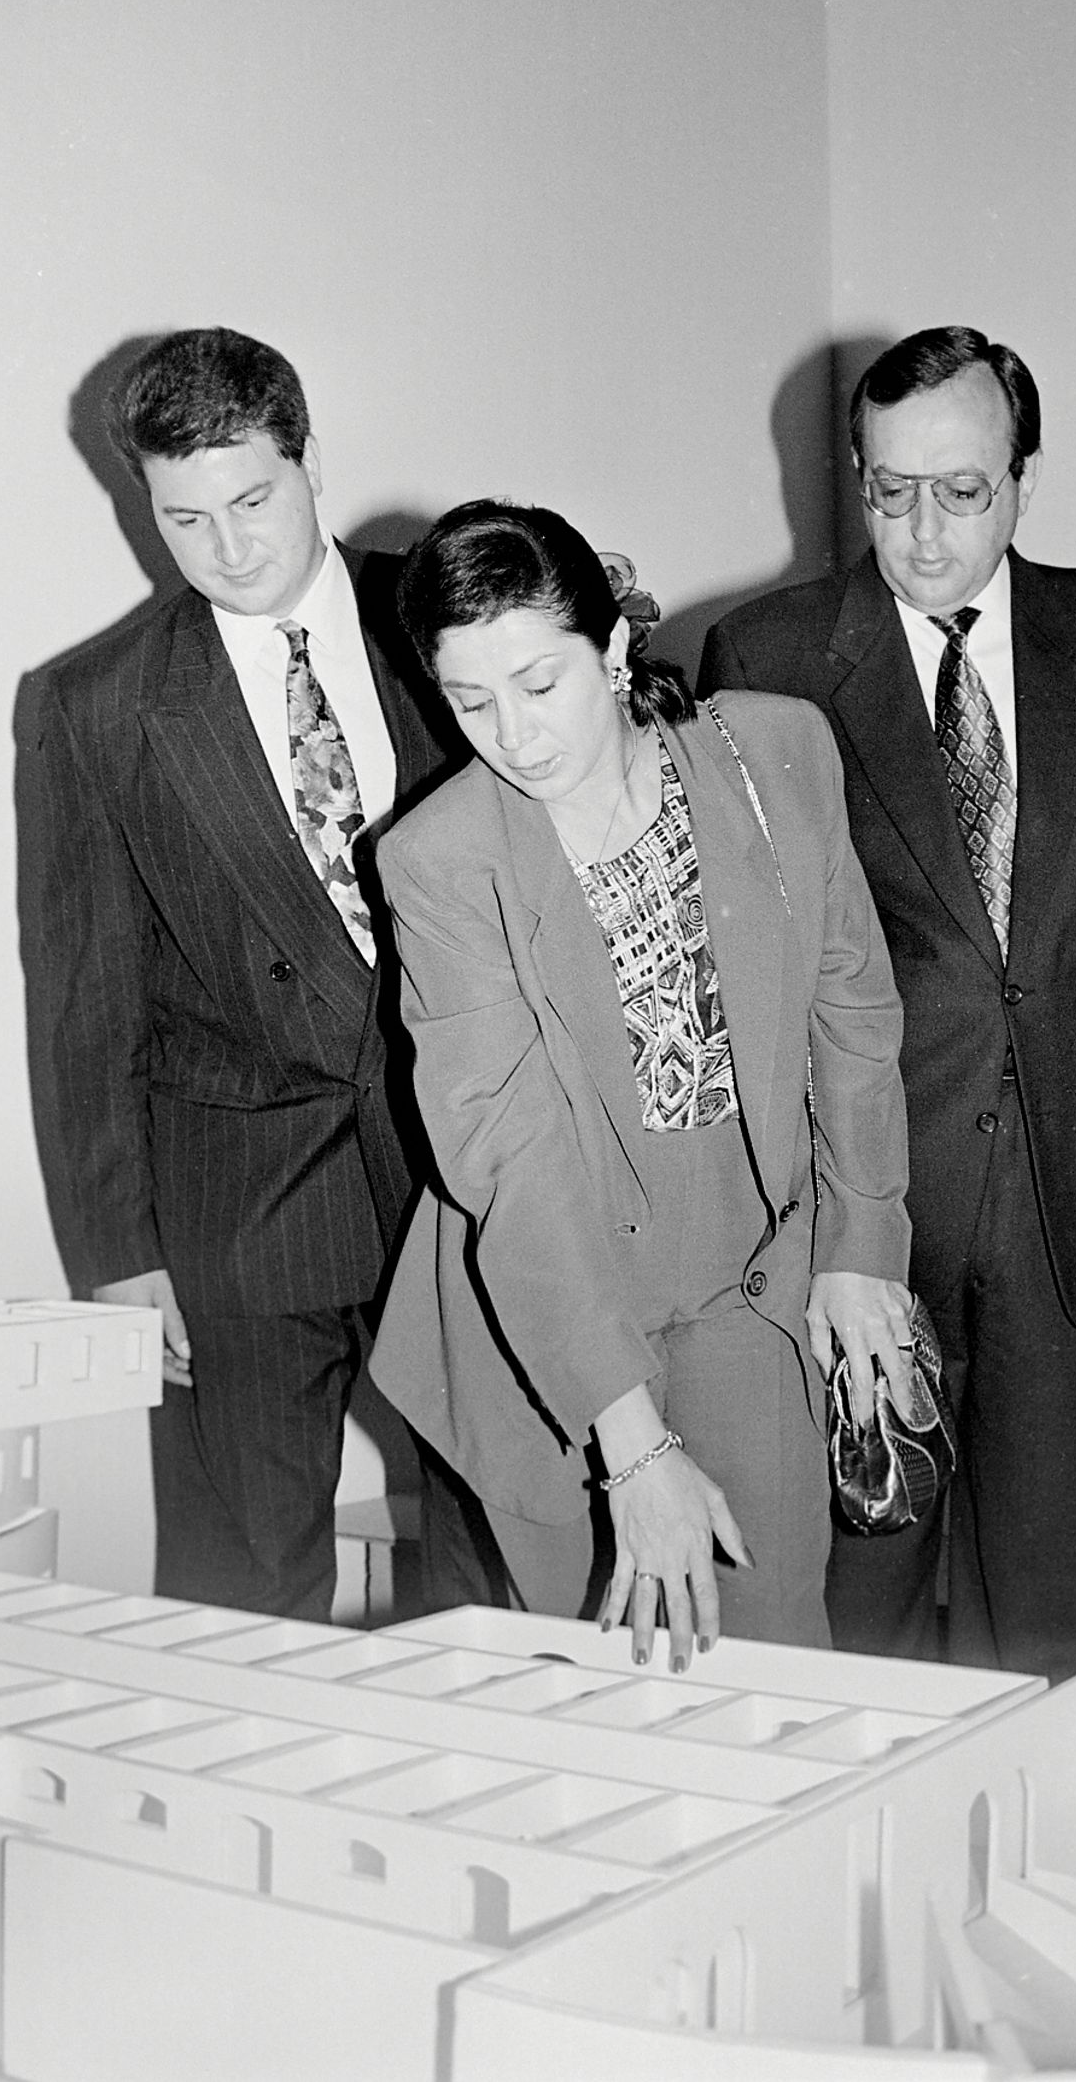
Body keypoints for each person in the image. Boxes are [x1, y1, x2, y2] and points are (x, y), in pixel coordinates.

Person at [701, 325, 1076, 1682]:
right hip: (866, 1190)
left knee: (1055, 1589)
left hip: (1073, 1179)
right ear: (856, 474)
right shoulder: (772, 652)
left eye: (961, 492)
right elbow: (752, 953)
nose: (921, 530)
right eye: (889, 489)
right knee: (868, 1564)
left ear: (1024, 479)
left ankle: (1057, 1843)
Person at [368, 501, 912, 1669]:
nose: (512, 735)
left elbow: (851, 1010)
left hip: (745, 1282)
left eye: (539, 682)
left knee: (769, 1661)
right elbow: (509, 1159)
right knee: (601, 1684)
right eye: (471, 702)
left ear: (613, 646)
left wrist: (864, 1244)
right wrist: (633, 1443)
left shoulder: (774, 752)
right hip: (549, 1313)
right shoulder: (441, 860)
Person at [21, 327, 459, 1618]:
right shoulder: (93, 703)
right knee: (244, 1584)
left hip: (471, 1168)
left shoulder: (446, 616)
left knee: (508, 1544)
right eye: (184, 518)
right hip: (239, 1200)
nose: (230, 546)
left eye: (254, 499)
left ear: (311, 459)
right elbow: (83, 993)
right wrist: (119, 1252)